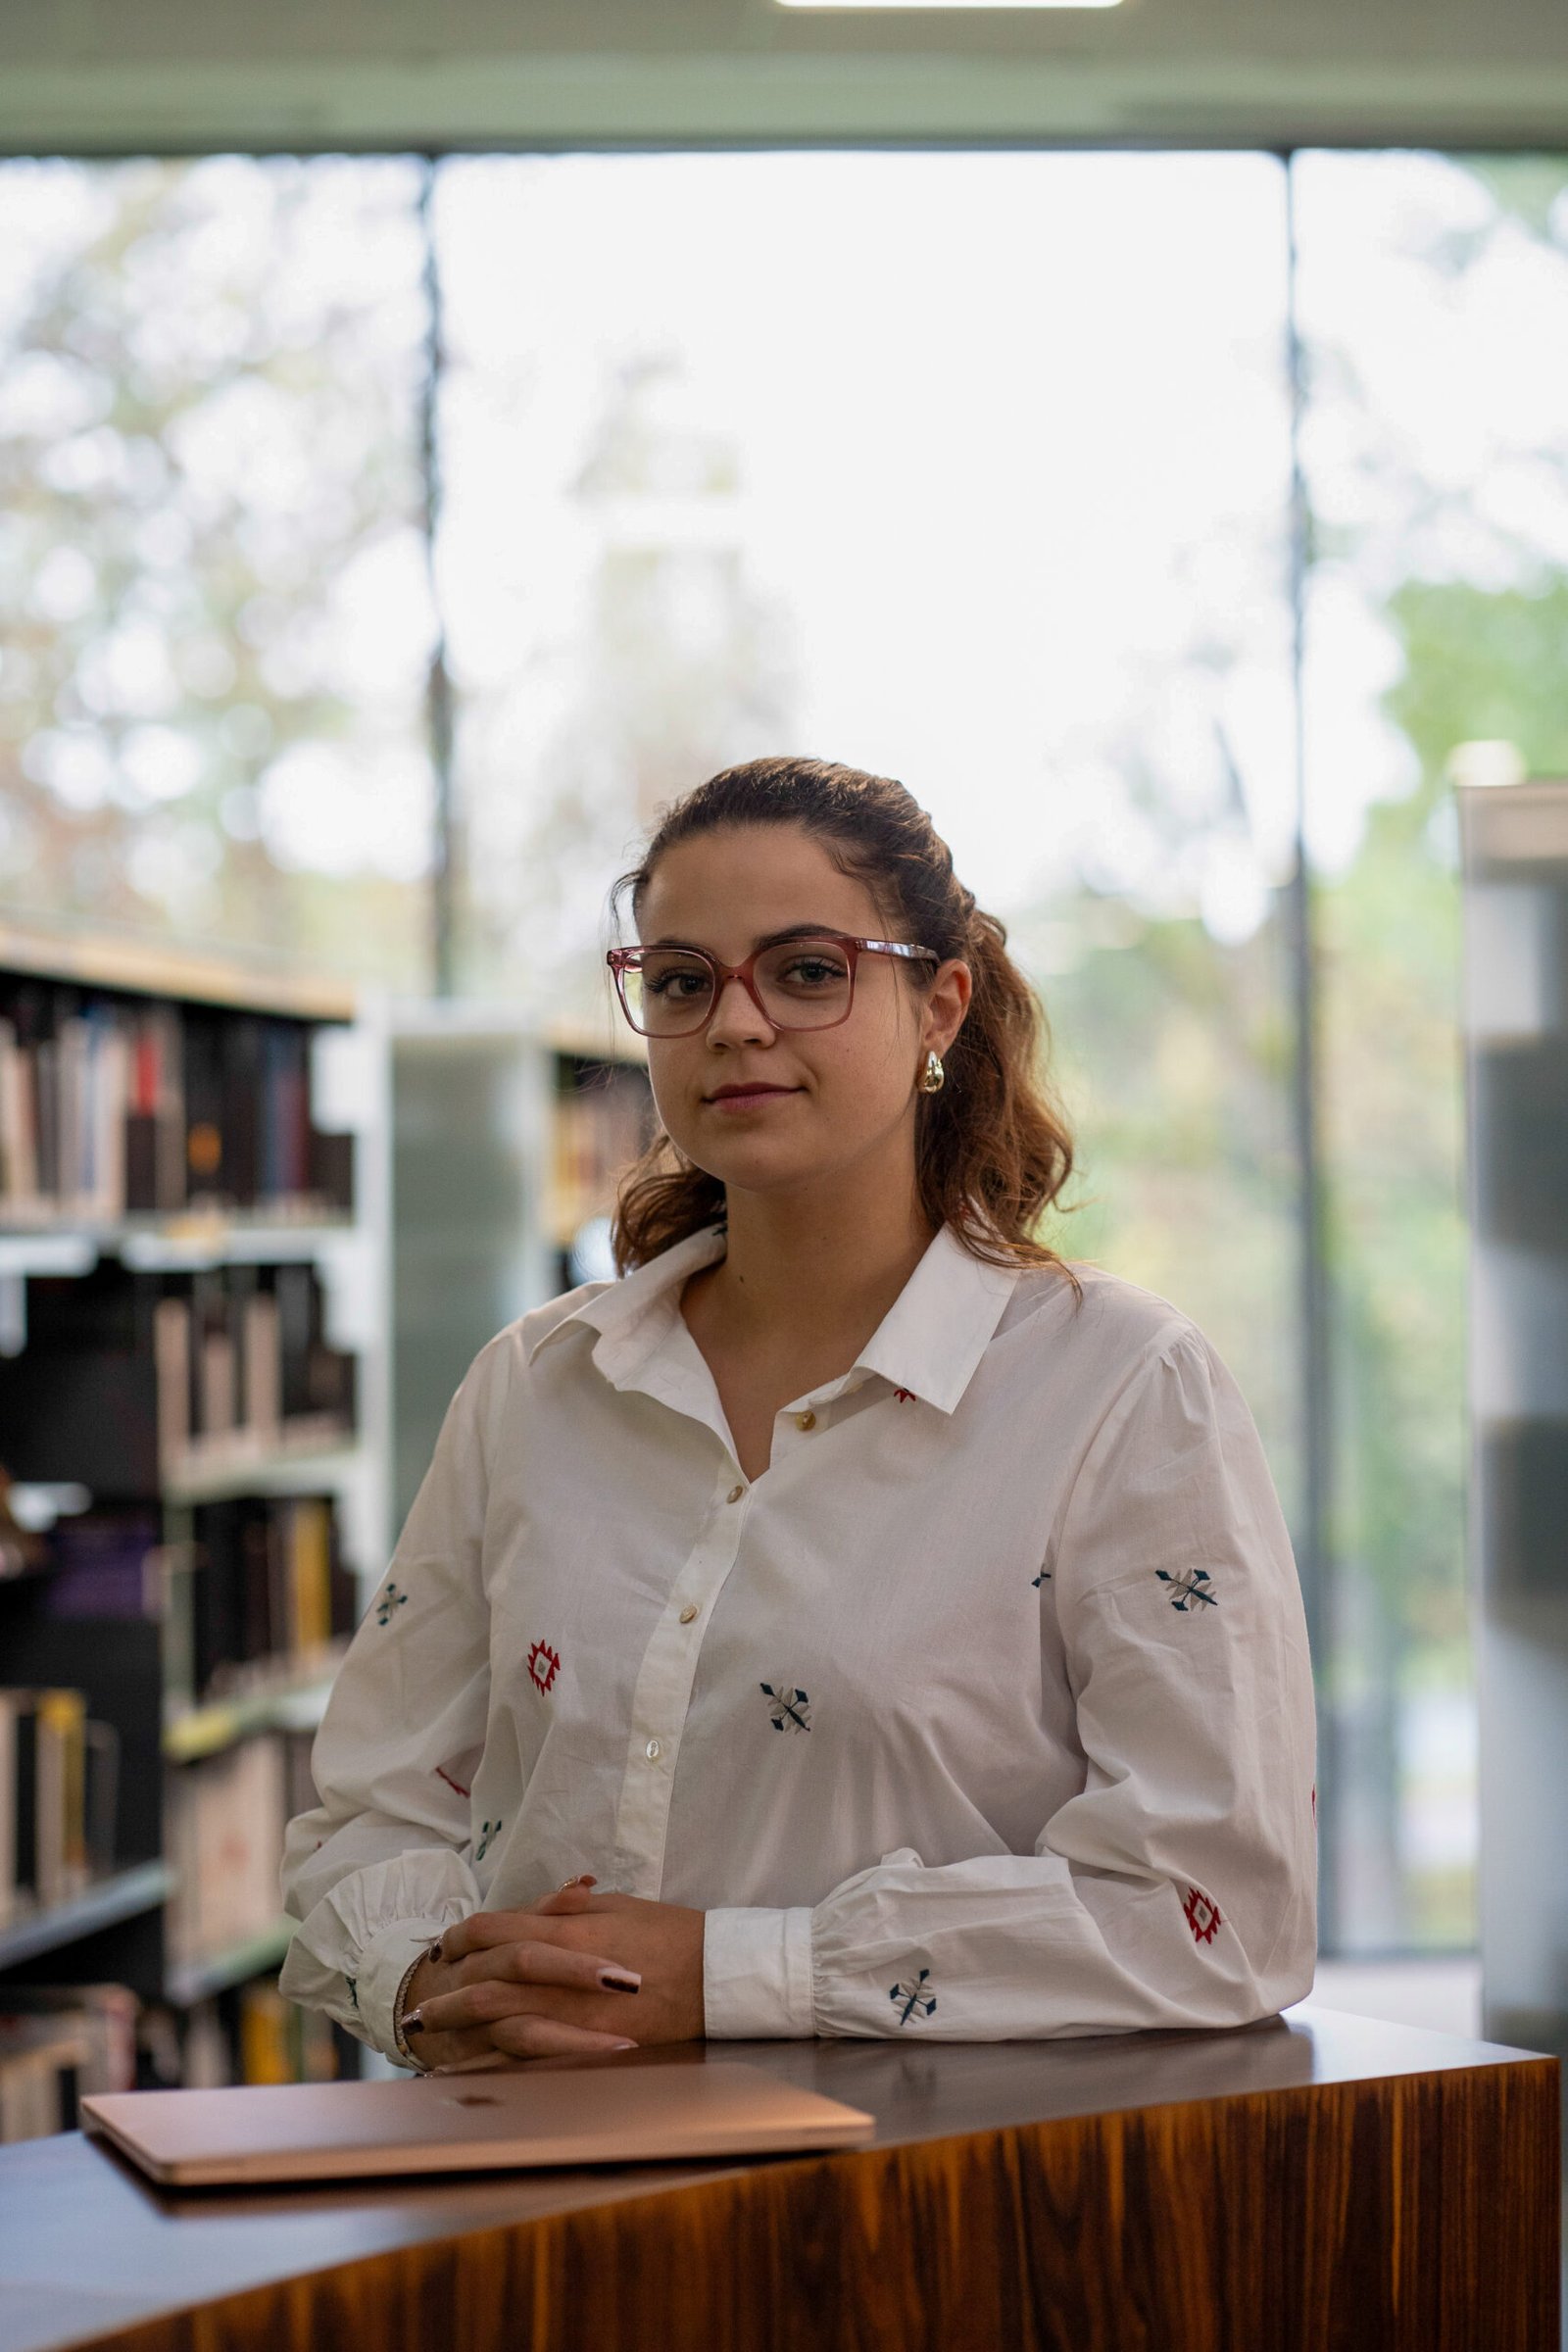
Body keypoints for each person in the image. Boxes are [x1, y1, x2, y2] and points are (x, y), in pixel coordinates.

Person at [279, 757, 1316, 2073]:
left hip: (925, 2205)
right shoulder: (535, 1388)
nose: (737, 1024)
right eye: (680, 979)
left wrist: (724, 1974)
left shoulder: (1121, 1386)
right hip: (529, 2194)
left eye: (808, 970)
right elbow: (365, 1817)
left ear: (940, 1004)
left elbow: (1216, 1914)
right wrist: (437, 1976)